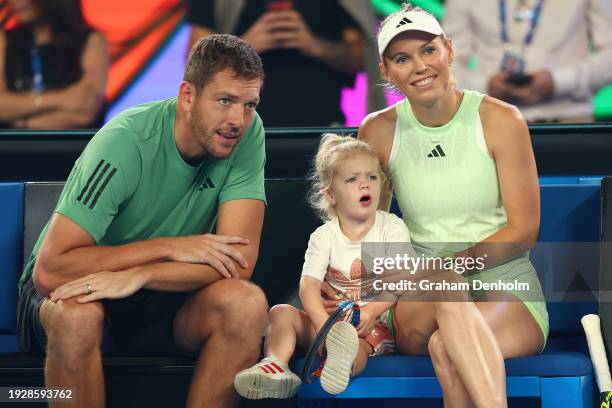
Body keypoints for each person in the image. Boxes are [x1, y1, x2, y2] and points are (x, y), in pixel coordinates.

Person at [16, 34, 268, 407]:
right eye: (225, 101)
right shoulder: (125, 141)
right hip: (70, 293)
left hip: (160, 298)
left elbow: (237, 265)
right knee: (77, 318)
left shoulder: (247, 133)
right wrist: (167, 248)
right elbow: (51, 270)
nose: (238, 120)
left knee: (245, 304)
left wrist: (142, 275)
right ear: (187, 95)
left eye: (249, 104)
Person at [357, 5, 548, 407]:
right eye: (402, 59)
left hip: (504, 283)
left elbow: (524, 231)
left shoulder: (502, 120)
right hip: (421, 295)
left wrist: (451, 267)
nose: (420, 66)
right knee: (443, 294)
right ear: (387, 72)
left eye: (428, 51)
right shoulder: (377, 130)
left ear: (449, 50)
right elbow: (372, 229)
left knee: (449, 347)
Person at [234, 134, 409, 399]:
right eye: (352, 179)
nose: (365, 185)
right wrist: (322, 323)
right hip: (327, 323)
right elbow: (309, 285)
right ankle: (275, 365)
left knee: (358, 345)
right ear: (331, 194)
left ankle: (343, 366)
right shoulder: (324, 236)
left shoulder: (390, 227)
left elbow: (400, 280)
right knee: (281, 312)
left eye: (372, 177)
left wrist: (372, 310)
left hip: (370, 324)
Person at [186, 0, 385, 127]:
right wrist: (244, 45)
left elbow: (362, 58)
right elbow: (195, 64)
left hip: (322, 126)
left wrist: (314, 45)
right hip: (235, 128)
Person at [443, 0, 612, 123]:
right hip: (489, 120)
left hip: (568, 121)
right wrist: (486, 86)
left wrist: (558, 82)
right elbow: (444, 62)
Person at [0, 0, 108, 129]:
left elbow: (85, 111)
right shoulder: (5, 40)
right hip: (12, 147)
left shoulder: (91, 41)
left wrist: (20, 122)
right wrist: (63, 99)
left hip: (73, 146)